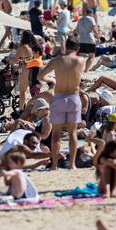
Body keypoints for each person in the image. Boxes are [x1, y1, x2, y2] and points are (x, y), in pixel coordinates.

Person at [38, 38, 86, 170]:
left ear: (66, 47)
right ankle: (72, 164)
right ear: (77, 48)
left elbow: (40, 76)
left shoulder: (56, 61)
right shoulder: (81, 61)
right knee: (72, 133)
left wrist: (52, 80)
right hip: (73, 97)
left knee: (56, 135)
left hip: (59, 97)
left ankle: (54, 165)